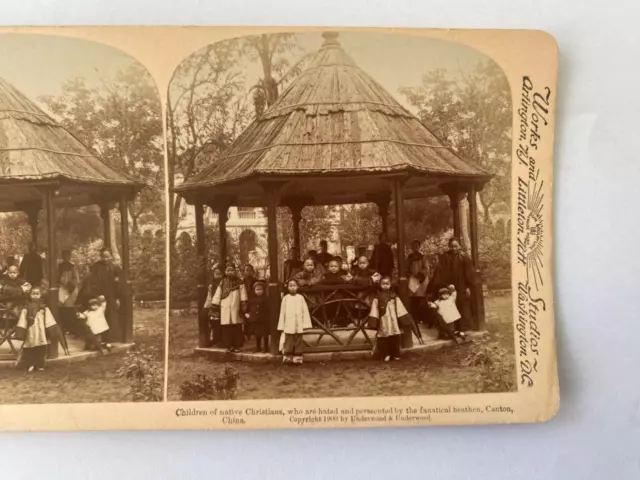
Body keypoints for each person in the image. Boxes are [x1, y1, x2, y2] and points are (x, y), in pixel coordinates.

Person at [430, 238, 475, 331]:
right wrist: (446, 284)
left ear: (459, 246)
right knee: (450, 305)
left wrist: (468, 286)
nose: (454, 248)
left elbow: (469, 273)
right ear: (449, 246)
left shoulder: (464, 257)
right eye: (452, 246)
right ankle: (451, 328)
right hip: (449, 285)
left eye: (456, 246)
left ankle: (463, 327)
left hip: (462, 284)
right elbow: (442, 273)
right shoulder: (444, 257)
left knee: (462, 304)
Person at [80, 248, 122, 342]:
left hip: (111, 295)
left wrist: (117, 297)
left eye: (107, 256)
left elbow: (116, 284)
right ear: (100, 256)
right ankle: (99, 338)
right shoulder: (96, 267)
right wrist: (98, 294)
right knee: (99, 316)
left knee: (110, 316)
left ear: (110, 256)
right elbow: (93, 282)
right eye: (103, 256)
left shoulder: (114, 267)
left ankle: (110, 338)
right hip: (99, 295)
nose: (105, 259)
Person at [367, 276, 410, 362]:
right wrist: (373, 320)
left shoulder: (394, 296)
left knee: (395, 336)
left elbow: (400, 307)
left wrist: (404, 318)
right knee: (383, 336)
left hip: (393, 320)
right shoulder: (377, 297)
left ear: (390, 285)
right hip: (384, 320)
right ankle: (386, 354)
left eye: (387, 284)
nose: (385, 285)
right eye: (383, 284)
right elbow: (374, 309)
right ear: (380, 285)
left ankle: (396, 354)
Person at [14, 287, 57, 372]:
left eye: (37, 294)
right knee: (29, 348)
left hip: (41, 332)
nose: (35, 296)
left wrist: (51, 330)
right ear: (30, 295)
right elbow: (23, 320)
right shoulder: (26, 308)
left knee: (41, 348)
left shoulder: (44, 308)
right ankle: (30, 364)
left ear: (40, 295)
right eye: (33, 293)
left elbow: (49, 319)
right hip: (31, 331)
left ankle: (40, 365)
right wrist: (21, 331)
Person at [210, 264, 247, 352]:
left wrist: (243, 304)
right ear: (225, 272)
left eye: (232, 270)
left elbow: (243, 294)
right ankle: (228, 346)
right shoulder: (222, 282)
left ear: (235, 271)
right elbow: (218, 294)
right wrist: (215, 304)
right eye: (228, 270)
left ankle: (237, 345)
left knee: (236, 326)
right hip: (225, 307)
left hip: (236, 306)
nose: (230, 272)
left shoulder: (240, 282)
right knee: (226, 327)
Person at [277, 278, 312, 365]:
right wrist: (282, 325)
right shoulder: (285, 298)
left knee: (298, 341)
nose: (292, 288)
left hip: (298, 323)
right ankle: (288, 358)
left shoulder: (301, 298)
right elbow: (282, 313)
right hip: (289, 323)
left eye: (294, 286)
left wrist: (305, 324)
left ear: (297, 287)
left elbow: (305, 311)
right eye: (290, 286)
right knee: (288, 341)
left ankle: (297, 358)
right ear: (288, 287)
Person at [406, 240, 430, 325]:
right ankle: (415, 318)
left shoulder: (423, 257)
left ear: (419, 247)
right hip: (412, 280)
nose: (415, 248)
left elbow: (426, 269)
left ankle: (423, 318)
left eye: (417, 246)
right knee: (413, 300)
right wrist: (409, 275)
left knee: (422, 300)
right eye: (413, 246)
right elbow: (406, 267)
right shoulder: (410, 257)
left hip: (421, 281)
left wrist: (419, 276)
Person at [58, 249, 81, 335]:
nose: (65, 258)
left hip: (70, 289)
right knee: (62, 308)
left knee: (70, 308)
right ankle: (63, 326)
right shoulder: (60, 266)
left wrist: (69, 285)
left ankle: (71, 327)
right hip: (61, 288)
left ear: (69, 257)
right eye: (64, 256)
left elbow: (76, 279)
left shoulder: (73, 267)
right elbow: (57, 276)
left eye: (67, 256)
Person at [246, 281, 270, 353]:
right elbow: (249, 308)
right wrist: (248, 314)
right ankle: (258, 347)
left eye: (260, 289)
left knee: (265, 334)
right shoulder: (252, 299)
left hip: (264, 320)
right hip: (255, 319)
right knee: (257, 334)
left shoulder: (266, 299)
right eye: (257, 289)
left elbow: (269, 308)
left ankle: (266, 347)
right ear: (254, 290)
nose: (259, 291)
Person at [204, 265, 224, 346]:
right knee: (214, 323)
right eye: (216, 273)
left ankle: (222, 340)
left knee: (223, 323)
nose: (218, 275)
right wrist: (207, 307)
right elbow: (209, 297)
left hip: (223, 306)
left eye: (220, 273)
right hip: (214, 307)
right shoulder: (211, 286)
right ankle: (216, 339)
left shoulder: (225, 284)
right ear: (213, 274)